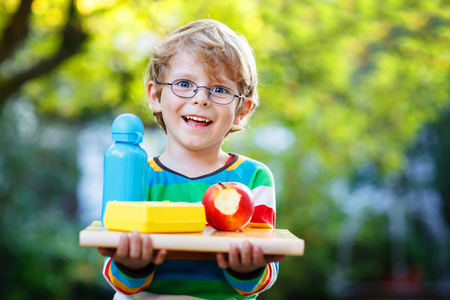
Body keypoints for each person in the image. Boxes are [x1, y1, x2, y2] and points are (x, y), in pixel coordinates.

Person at [98, 19, 284, 299]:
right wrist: (132, 264)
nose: (201, 99)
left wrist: (247, 268)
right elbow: (121, 281)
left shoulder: (254, 178)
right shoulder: (138, 176)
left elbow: (258, 281)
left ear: (242, 110)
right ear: (155, 95)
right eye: (184, 83)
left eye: (220, 89)